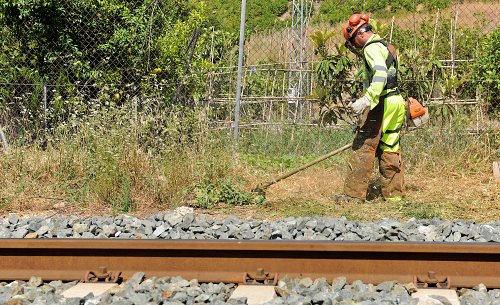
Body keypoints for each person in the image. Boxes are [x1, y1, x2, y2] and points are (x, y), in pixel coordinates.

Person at [333, 13, 406, 203]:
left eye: (353, 42)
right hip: (396, 100)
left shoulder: (370, 48)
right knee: (390, 146)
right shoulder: (386, 46)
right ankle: (393, 196)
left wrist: (367, 99)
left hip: (381, 103)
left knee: (363, 146)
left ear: (358, 35)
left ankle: (353, 195)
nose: (356, 47)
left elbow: (380, 74)